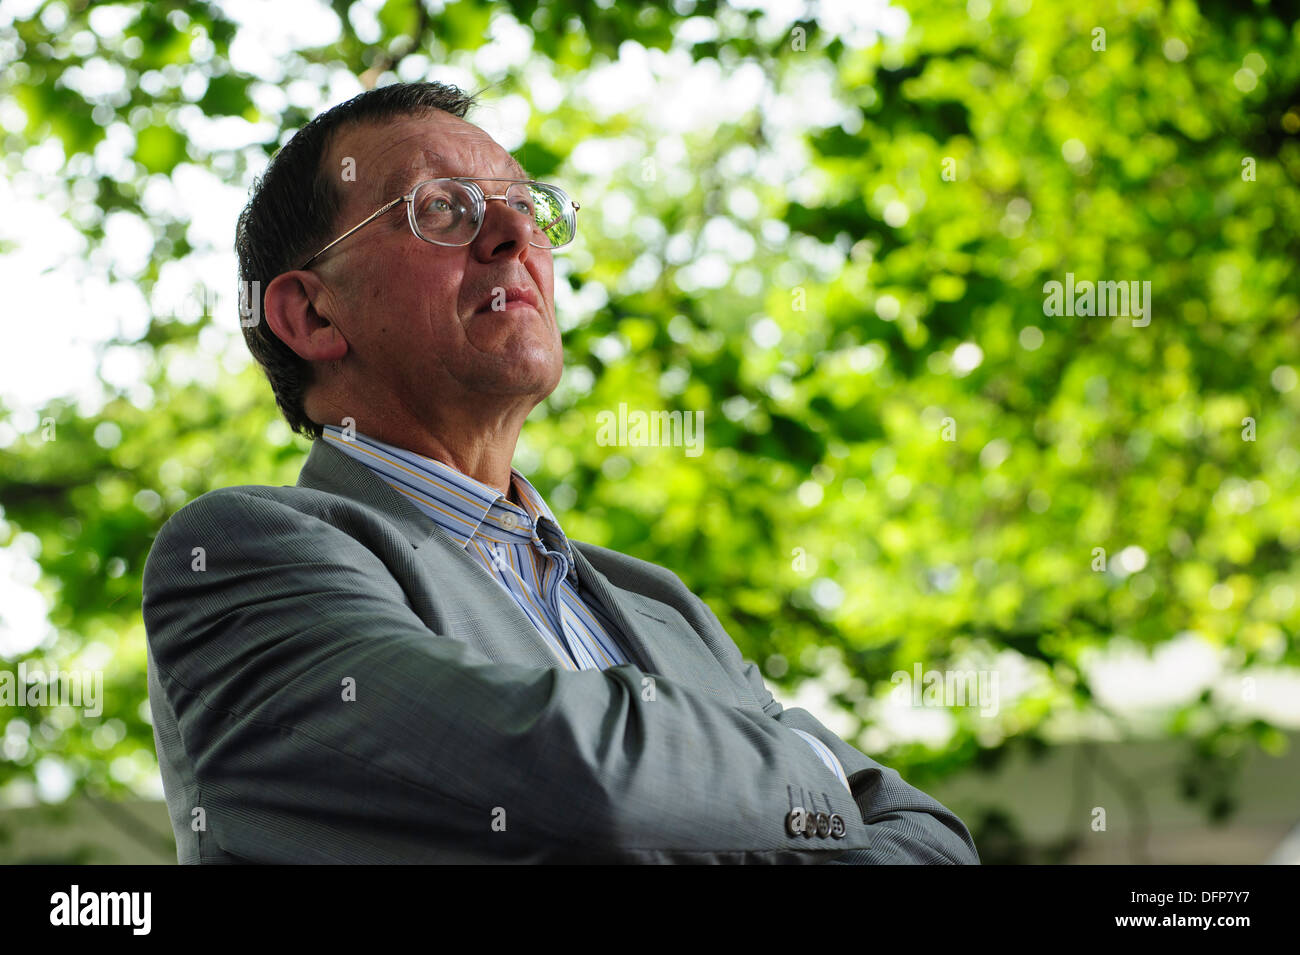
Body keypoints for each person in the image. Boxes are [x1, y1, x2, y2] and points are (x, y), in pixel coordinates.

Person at [141, 81, 979, 864]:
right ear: (313, 312)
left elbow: (936, 838)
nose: (514, 236)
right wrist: (810, 774)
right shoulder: (241, 556)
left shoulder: (665, 606)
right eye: (443, 208)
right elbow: (572, 782)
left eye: (526, 206)